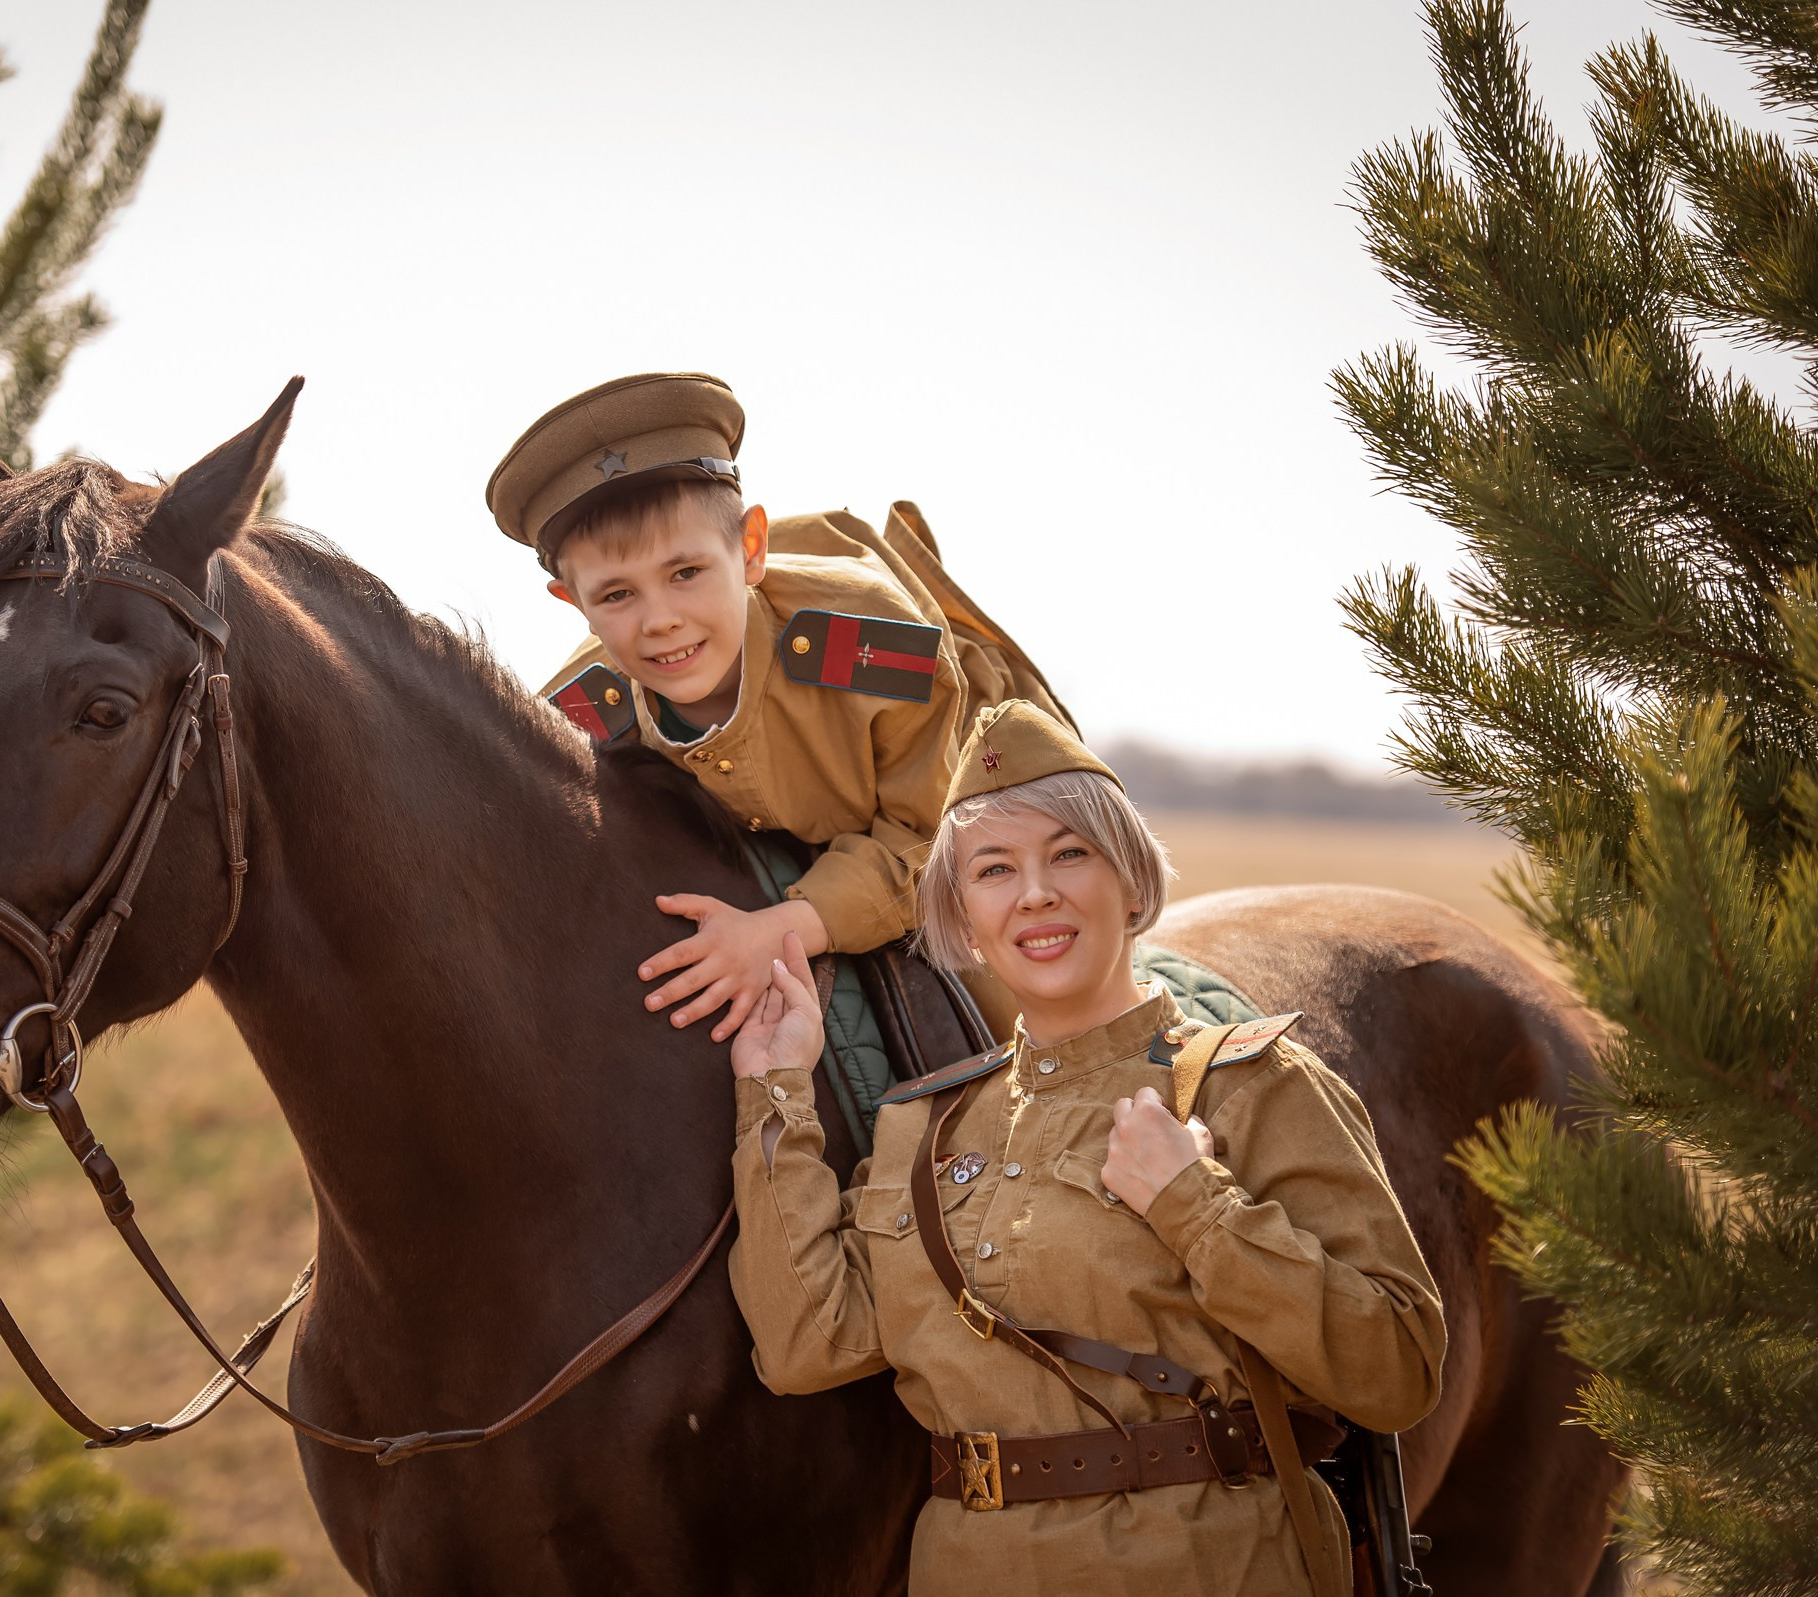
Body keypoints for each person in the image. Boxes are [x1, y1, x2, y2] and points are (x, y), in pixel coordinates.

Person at [723, 699, 1446, 1596]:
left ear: (1133, 885)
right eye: (994, 869)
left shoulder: (1251, 1084)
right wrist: (775, 1087)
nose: (1035, 892)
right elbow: (806, 1346)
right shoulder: (924, 1124)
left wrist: (1197, 1207)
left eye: (1070, 853)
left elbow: (1399, 1371)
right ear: (961, 915)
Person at [486, 371, 1066, 1041]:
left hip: (977, 799)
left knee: (1034, 1005)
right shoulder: (574, 716)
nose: (661, 621)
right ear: (574, 603)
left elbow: (937, 837)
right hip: (802, 841)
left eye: (686, 573)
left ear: (750, 548)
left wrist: (781, 928)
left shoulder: (873, 644)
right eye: (617, 595)